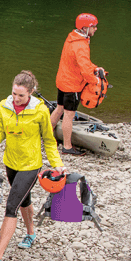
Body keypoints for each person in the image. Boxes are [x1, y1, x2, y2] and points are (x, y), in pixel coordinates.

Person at [0, 71, 65, 261]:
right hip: (10, 163)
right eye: (14, 94)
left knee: (11, 205)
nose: (17, 99)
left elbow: (49, 140)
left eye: (21, 95)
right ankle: (31, 234)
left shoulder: (40, 111)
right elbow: (0, 132)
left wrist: (57, 163)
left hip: (31, 165)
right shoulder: (3, 107)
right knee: (23, 200)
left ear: (31, 93)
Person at [50, 13, 104, 156]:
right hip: (72, 85)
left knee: (59, 109)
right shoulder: (81, 45)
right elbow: (85, 70)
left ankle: (47, 138)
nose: (96, 29)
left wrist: (95, 68)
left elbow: (81, 63)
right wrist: (96, 81)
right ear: (85, 28)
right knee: (69, 115)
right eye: (94, 26)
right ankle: (67, 146)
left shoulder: (72, 38)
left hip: (62, 80)